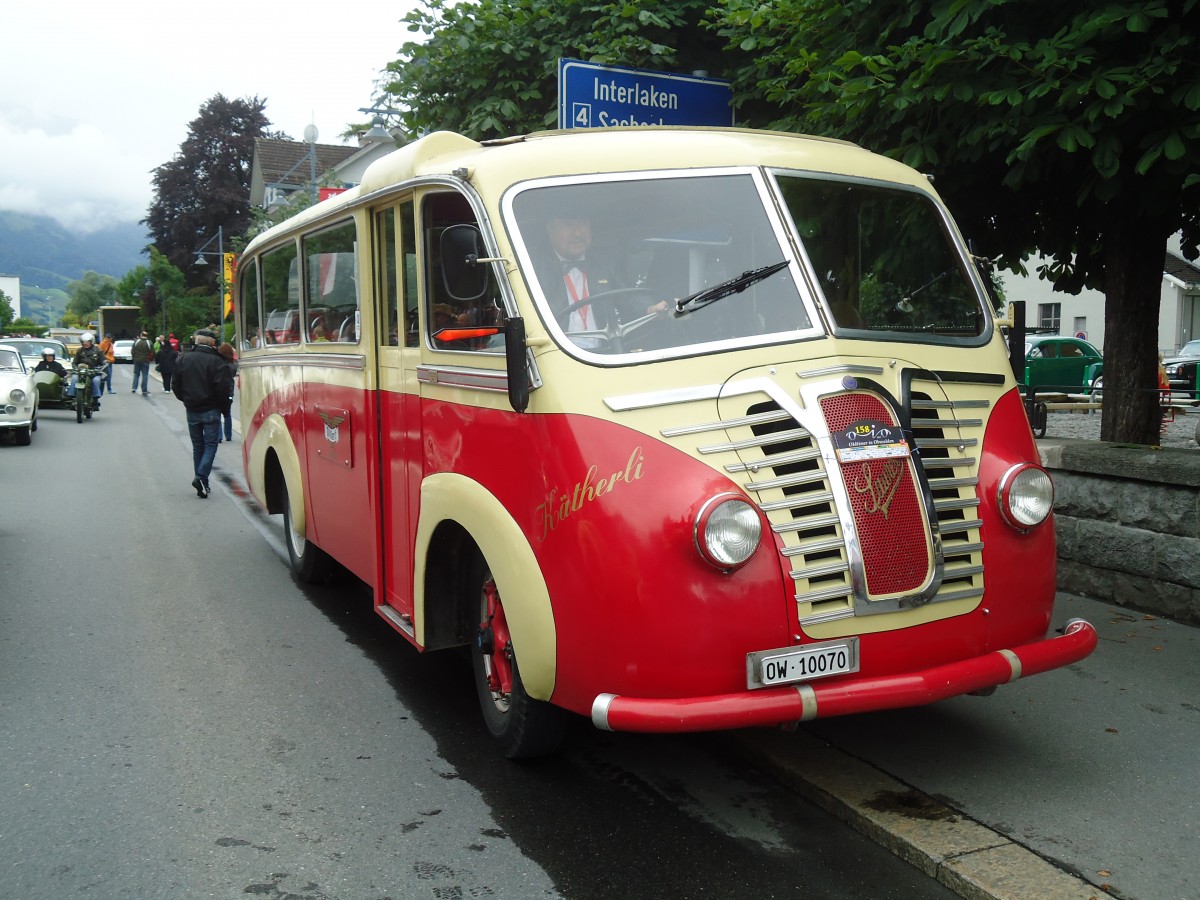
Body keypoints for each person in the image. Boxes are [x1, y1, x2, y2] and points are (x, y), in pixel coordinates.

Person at [172, 329, 234, 499]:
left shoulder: (183, 359)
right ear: (212, 343)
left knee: (198, 446)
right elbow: (222, 388)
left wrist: (186, 399)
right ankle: (201, 477)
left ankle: (202, 481)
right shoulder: (217, 362)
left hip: (192, 408)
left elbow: (175, 385)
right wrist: (224, 408)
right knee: (211, 445)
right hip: (211, 408)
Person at [65, 332, 105, 408]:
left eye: (87, 342)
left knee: (96, 381)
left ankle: (95, 399)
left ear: (91, 342)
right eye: (83, 342)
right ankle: (70, 396)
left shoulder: (98, 350)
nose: (85, 343)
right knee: (74, 378)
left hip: (93, 372)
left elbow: (103, 361)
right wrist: (75, 368)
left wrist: (104, 363)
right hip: (80, 371)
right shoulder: (79, 350)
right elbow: (74, 362)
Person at [216, 342, 238, 443]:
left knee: (217, 413)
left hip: (218, 390)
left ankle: (219, 436)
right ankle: (228, 435)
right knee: (227, 413)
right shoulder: (232, 365)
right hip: (229, 390)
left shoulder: (218, 364)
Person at [130, 330, 154, 395]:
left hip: (137, 360)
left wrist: (134, 357)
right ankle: (144, 389)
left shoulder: (136, 341)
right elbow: (152, 352)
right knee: (145, 375)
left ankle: (134, 388)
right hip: (145, 360)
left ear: (141, 335)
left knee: (136, 374)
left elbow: (132, 351)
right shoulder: (149, 342)